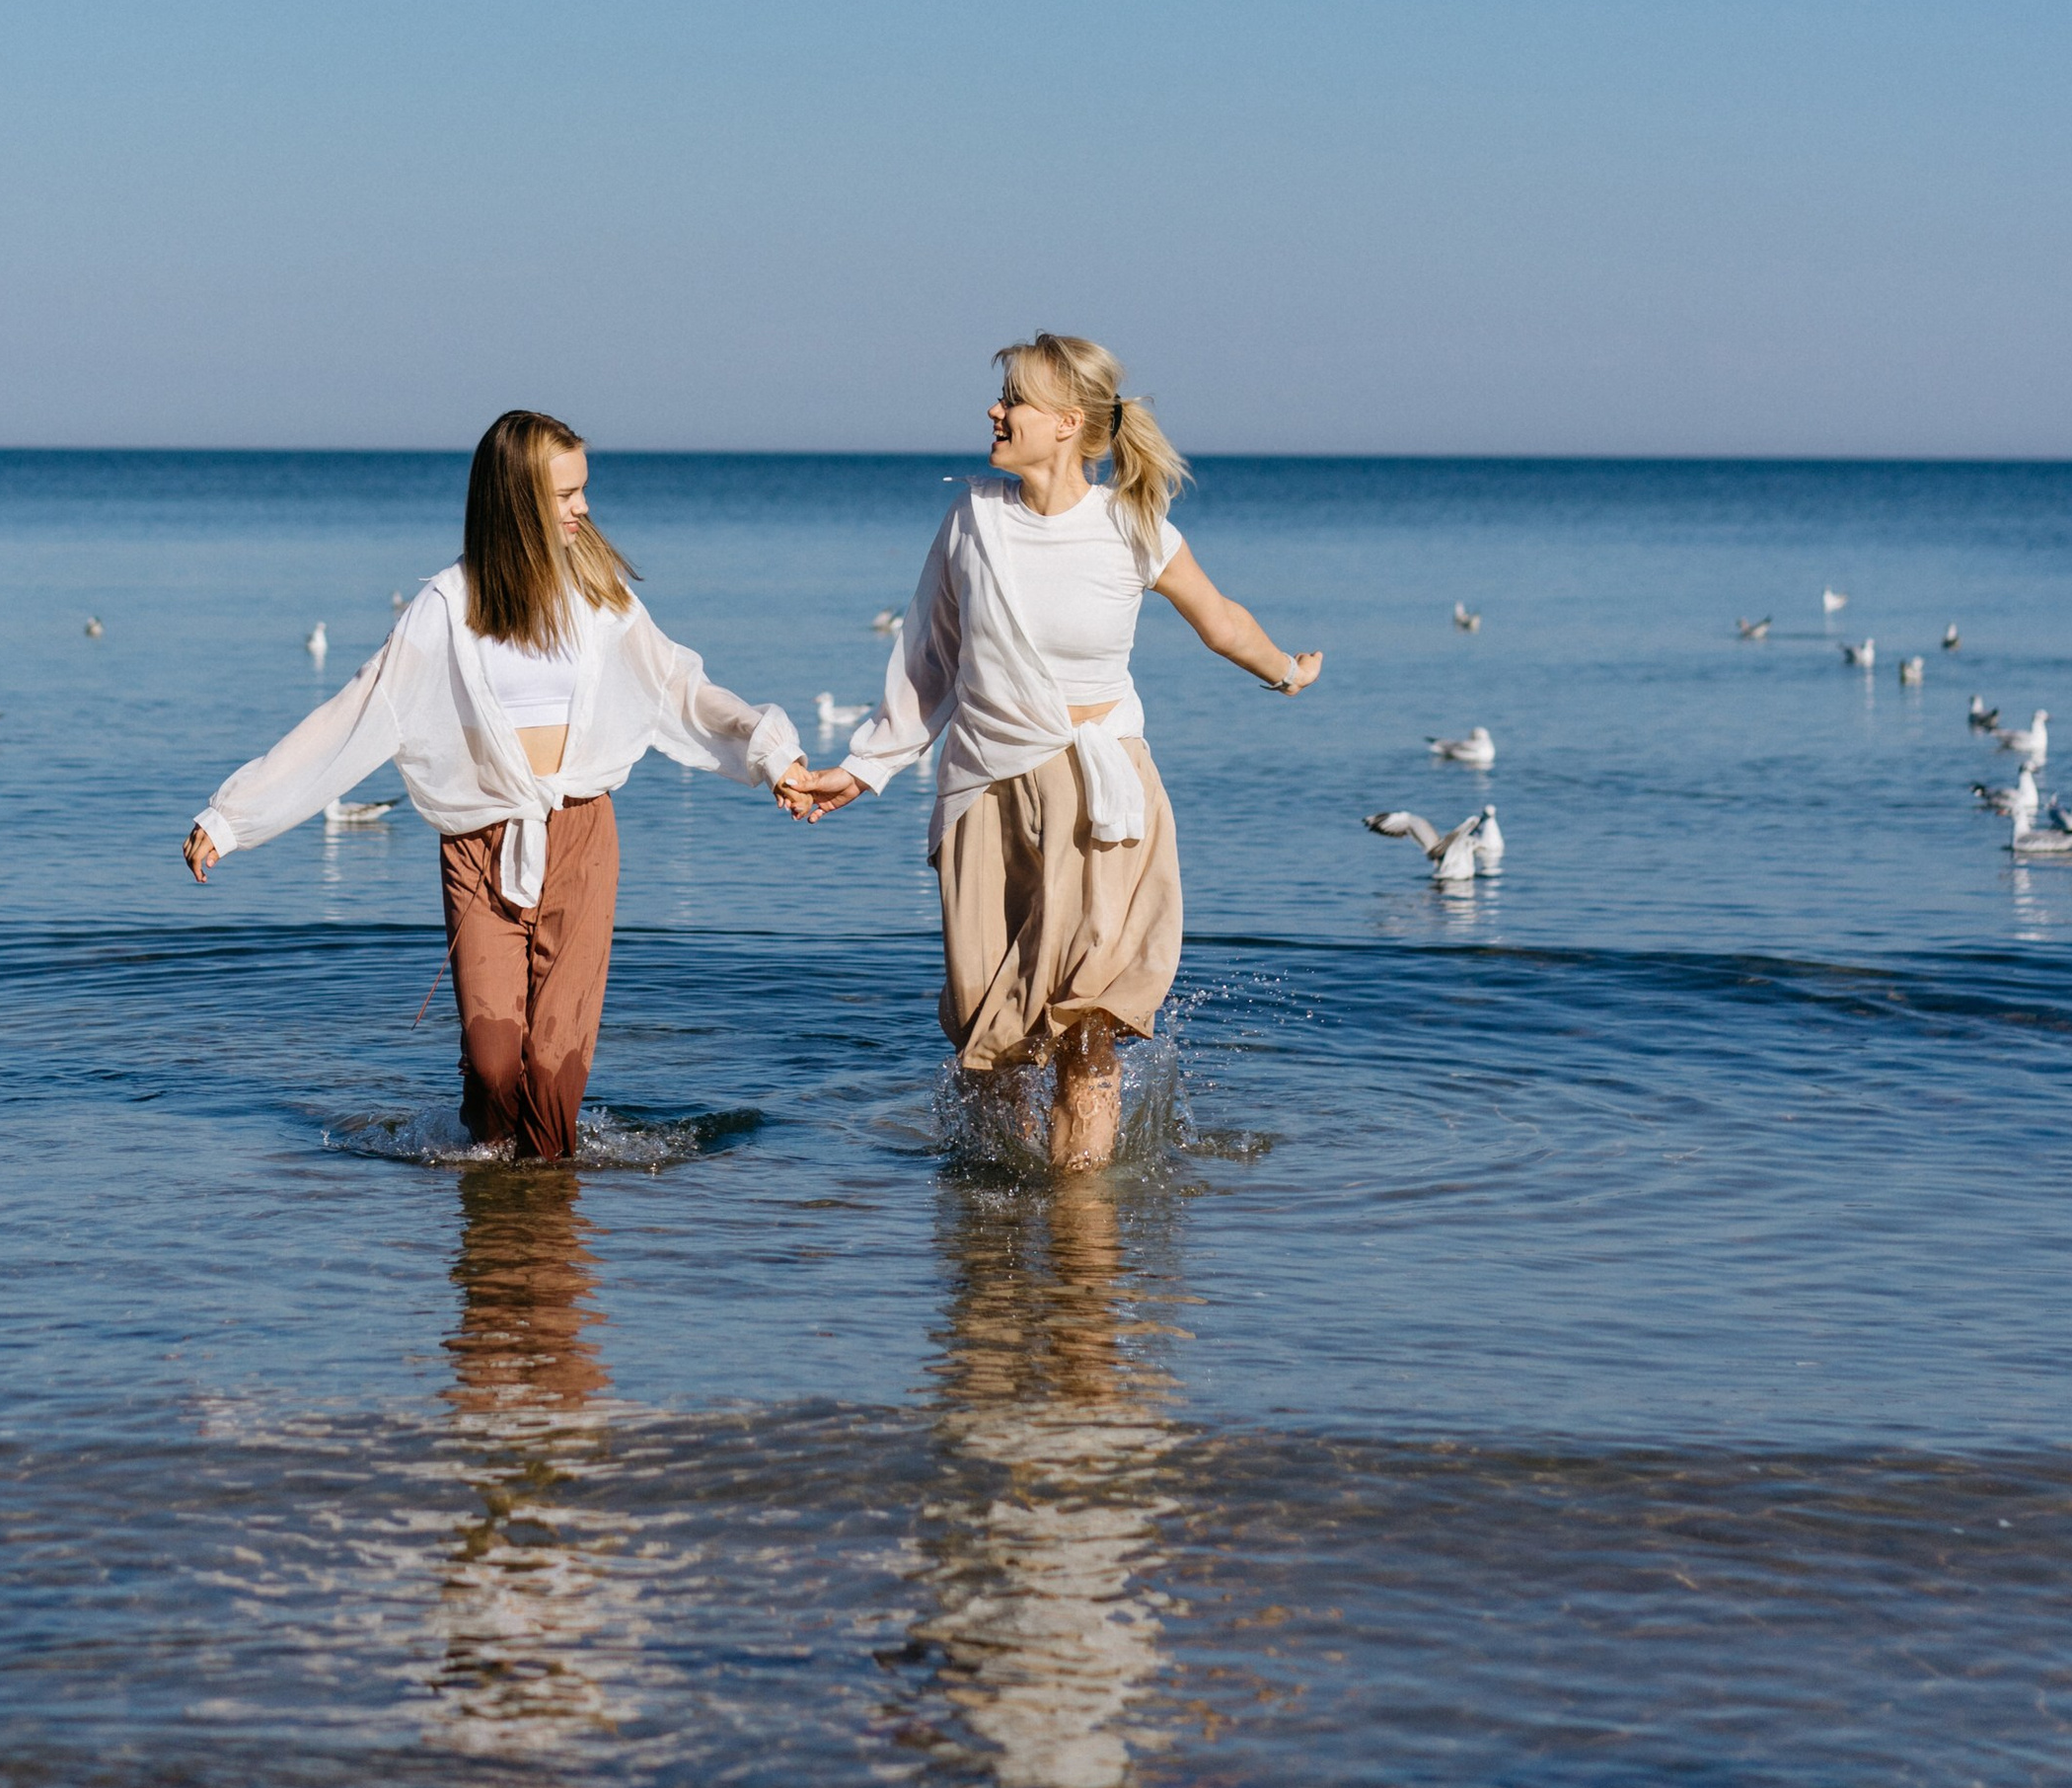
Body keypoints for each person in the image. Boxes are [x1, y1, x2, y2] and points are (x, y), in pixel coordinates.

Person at [184, 410, 814, 1160]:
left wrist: (773, 755)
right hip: (481, 843)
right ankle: (490, 1237)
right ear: (516, 501)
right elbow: (355, 715)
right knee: (492, 1068)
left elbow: (681, 688)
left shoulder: (600, 594)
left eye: (584, 490)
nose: (584, 507)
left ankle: (545, 1240)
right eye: (566, 493)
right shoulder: (446, 609)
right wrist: (233, 816)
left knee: (552, 1076)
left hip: (580, 835)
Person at [790, 335, 1323, 1168]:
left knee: (1085, 1032)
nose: (994, 411)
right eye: (1001, 397)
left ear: (1068, 423)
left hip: (1098, 801)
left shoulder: (1131, 526)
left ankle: (1081, 1244)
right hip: (984, 792)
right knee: (985, 1033)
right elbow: (930, 661)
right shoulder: (971, 518)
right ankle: (996, 1242)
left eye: (1014, 399)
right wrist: (864, 768)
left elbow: (1220, 621)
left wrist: (1288, 670)